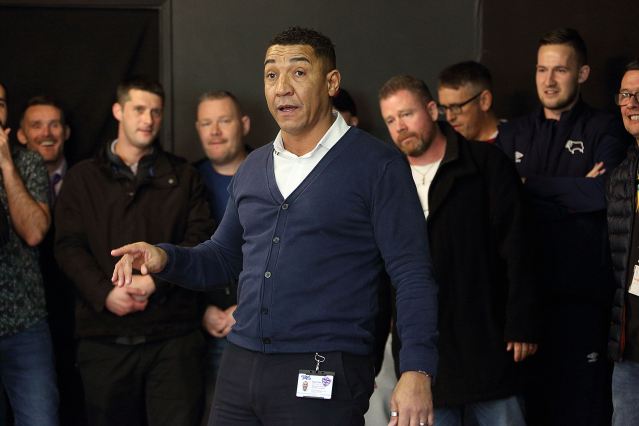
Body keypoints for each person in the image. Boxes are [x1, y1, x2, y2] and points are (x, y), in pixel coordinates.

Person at [111, 27, 439, 426]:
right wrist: (164, 258)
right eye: (271, 74)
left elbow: (412, 274)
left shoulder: (378, 166)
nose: (282, 87)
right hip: (240, 366)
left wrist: (417, 369)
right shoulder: (253, 167)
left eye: (298, 72)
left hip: (324, 368)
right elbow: (223, 257)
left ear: (331, 82)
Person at [379, 74, 538, 425]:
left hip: (489, 344)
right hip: (425, 358)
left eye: (406, 114)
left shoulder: (486, 164)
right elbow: (378, 270)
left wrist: (522, 322)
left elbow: (519, 247)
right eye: (390, 120)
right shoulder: (387, 179)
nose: (399, 127)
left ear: (432, 110)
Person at [54, 78, 214, 426]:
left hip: (173, 337)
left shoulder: (184, 176)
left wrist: (157, 281)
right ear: (118, 111)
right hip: (104, 337)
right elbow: (68, 246)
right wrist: (105, 293)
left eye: (156, 111)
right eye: (139, 109)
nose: (148, 119)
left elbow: (200, 240)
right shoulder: (82, 178)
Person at [496, 28, 628, 425]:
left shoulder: (605, 128)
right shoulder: (513, 132)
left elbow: (602, 195)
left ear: (582, 74)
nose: (549, 81)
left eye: (561, 70)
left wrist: (528, 185)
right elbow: (499, 202)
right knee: (528, 412)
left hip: (581, 301)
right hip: (522, 304)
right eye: (542, 69)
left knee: (581, 411)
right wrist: (573, 189)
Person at [17, 96, 86, 425]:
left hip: (80, 317)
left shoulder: (87, 180)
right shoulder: (11, 186)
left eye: (54, 125)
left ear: (66, 131)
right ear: (20, 135)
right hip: (27, 318)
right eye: (36, 125)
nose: (46, 133)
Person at [0, 82, 59, 425]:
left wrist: (6, 164)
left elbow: (35, 232)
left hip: (26, 325)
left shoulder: (28, 162)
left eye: (0, 103)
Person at [193, 90, 250, 420]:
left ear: (244, 124)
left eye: (224, 121)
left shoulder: (275, 173)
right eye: (206, 123)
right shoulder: (186, 181)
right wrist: (201, 310)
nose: (215, 131)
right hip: (204, 329)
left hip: (266, 324)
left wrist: (249, 306)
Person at [607, 59, 639, 426]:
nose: (631, 103)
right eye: (625, 95)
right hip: (629, 348)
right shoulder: (621, 176)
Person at [437, 61, 500, 142]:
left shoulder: (514, 142)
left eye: (455, 107)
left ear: (484, 101)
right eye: (444, 108)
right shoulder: (449, 145)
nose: (449, 118)